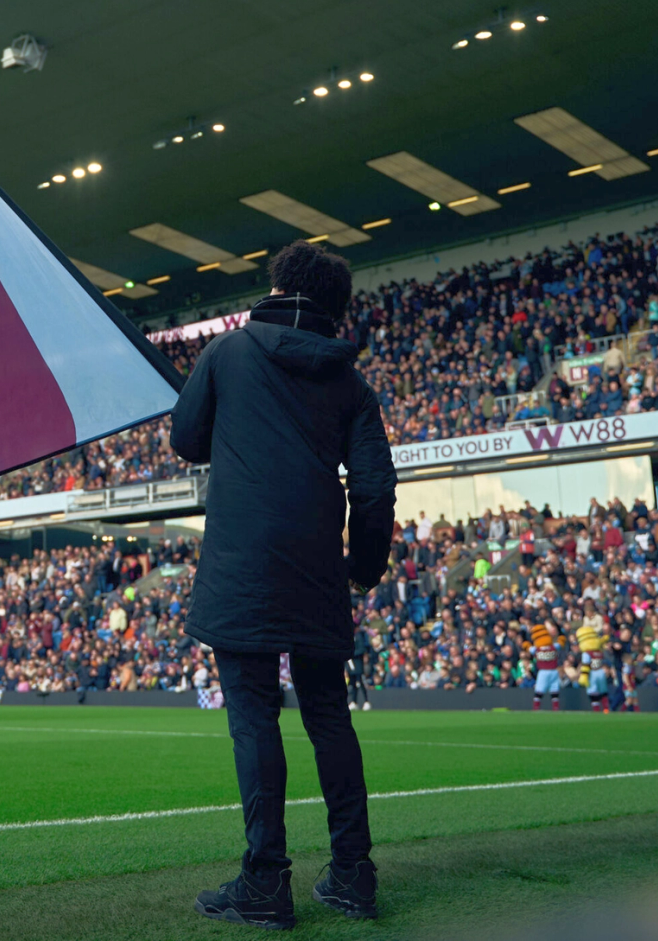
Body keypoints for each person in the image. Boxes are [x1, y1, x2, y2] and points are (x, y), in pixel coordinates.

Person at [171, 241, 396, 928]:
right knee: (329, 715)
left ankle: (266, 881)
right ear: (338, 306)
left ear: (277, 285)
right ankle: (354, 874)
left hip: (242, 565)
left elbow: (187, 440)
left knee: (253, 717)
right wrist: (363, 568)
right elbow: (376, 490)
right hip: (317, 569)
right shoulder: (352, 385)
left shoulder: (229, 354)